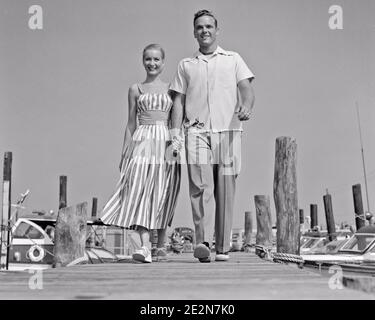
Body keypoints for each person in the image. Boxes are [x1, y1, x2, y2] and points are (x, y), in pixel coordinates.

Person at [170, 10, 255, 263]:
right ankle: (203, 242)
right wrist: (175, 134)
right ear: (194, 32)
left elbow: (246, 89)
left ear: (217, 30)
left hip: (228, 132)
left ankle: (223, 247)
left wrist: (247, 106)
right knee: (200, 186)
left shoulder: (233, 59)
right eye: (199, 27)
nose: (204, 30)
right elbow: (178, 101)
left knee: (225, 189)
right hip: (195, 131)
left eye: (209, 26)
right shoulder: (186, 65)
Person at [100, 44, 181, 263]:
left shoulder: (172, 88)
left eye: (156, 59)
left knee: (164, 191)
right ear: (142, 61)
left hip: (164, 141)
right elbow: (130, 123)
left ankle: (161, 245)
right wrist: (124, 152)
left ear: (163, 63)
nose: (152, 63)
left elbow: (176, 121)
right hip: (142, 141)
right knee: (139, 190)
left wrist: (176, 147)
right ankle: (145, 246)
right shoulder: (135, 89)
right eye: (148, 59)